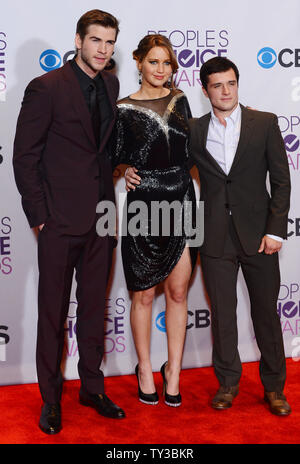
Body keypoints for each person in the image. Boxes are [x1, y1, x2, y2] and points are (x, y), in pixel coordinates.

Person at [127, 56, 292, 416]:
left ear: (237, 84)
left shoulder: (263, 123)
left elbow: (281, 181)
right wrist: (127, 170)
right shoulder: (194, 130)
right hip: (214, 236)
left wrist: (275, 230)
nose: (225, 91)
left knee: (266, 314)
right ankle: (228, 383)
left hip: (260, 236)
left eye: (230, 83)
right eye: (217, 85)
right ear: (205, 90)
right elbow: (164, 162)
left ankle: (275, 388)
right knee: (223, 315)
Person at [13, 9, 125, 435]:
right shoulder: (46, 88)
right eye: (96, 40)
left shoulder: (112, 84)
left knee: (94, 308)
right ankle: (51, 398)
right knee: (52, 312)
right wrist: (41, 216)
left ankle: (92, 387)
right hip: (59, 218)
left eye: (110, 42)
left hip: (101, 216)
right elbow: (25, 157)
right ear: (78, 40)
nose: (104, 49)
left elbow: (103, 149)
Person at [110, 34, 198, 407]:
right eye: (153, 62)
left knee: (179, 292)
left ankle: (173, 371)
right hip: (142, 206)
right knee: (143, 294)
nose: (161, 70)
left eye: (167, 63)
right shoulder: (122, 108)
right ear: (138, 62)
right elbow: (111, 156)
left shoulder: (181, 101)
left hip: (181, 199)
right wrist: (126, 167)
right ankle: (145, 368)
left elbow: (193, 151)